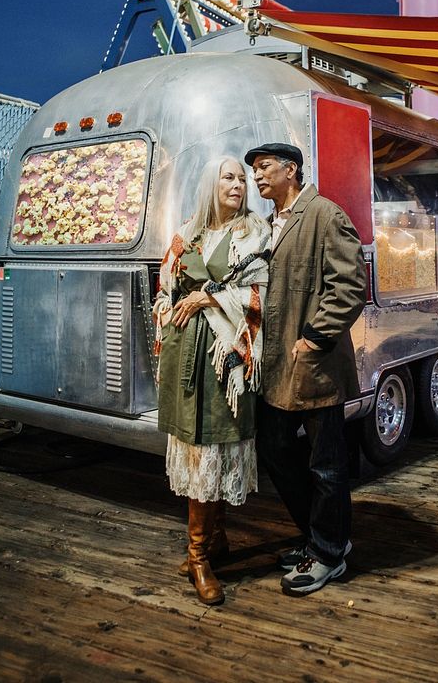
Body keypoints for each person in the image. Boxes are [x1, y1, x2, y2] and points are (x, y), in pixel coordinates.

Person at [244, 142, 367, 597]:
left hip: (313, 360)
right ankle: (316, 537)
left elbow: (350, 284)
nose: (257, 177)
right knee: (275, 447)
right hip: (277, 362)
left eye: (264, 168)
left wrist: (314, 337)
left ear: (290, 170)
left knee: (327, 465)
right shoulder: (273, 223)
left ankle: (330, 554)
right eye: (254, 170)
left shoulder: (325, 214)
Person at [153, 157, 271, 605]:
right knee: (199, 451)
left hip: (227, 360)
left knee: (217, 448)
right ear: (210, 184)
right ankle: (200, 554)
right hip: (190, 357)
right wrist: (173, 310)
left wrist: (211, 297)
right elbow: (165, 288)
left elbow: (261, 291)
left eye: (242, 179)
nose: (238, 184)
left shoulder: (254, 233)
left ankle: (209, 546)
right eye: (229, 177)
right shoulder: (189, 234)